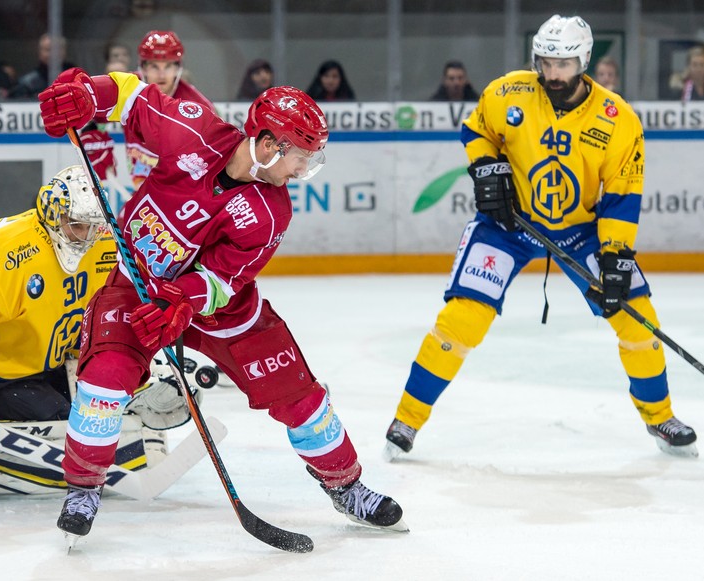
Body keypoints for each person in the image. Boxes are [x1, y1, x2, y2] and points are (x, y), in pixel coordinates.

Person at [38, 69, 407, 538]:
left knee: (300, 396)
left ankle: (347, 486)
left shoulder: (273, 211)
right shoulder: (194, 128)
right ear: (271, 145)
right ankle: (83, 489)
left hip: (222, 312)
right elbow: (134, 96)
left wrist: (183, 302)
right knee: (103, 382)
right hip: (138, 285)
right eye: (301, 159)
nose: (301, 171)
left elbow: (220, 278)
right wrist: (89, 94)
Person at [384, 14, 698, 462]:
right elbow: (477, 131)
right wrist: (487, 168)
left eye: (563, 64)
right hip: (508, 226)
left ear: (584, 60)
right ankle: (407, 419)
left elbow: (623, 195)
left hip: (580, 233)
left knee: (637, 320)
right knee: (462, 321)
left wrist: (615, 257)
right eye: (545, 62)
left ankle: (659, 415)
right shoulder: (508, 91)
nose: (552, 74)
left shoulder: (618, 119)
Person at [0, 165, 194, 503]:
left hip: (51, 364)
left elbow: (121, 310)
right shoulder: (9, 254)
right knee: (66, 427)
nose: (87, 237)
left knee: (100, 411)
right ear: (52, 214)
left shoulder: (105, 243)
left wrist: (144, 373)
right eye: (77, 226)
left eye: (94, 227)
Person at [125, 30, 213, 191]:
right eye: (154, 66)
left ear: (178, 68)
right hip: (139, 188)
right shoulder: (126, 89)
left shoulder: (197, 106)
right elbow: (95, 103)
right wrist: (96, 131)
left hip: (177, 196)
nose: (161, 74)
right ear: (143, 68)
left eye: (168, 66)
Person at [9, 34, 76, 100]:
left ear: (64, 51)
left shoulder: (75, 77)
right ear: (40, 52)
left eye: (57, 49)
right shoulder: (27, 84)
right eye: (48, 50)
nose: (53, 53)